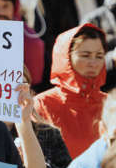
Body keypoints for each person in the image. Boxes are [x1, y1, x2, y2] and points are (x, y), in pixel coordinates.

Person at [34, 24, 107, 159]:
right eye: (85, 55)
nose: (93, 63)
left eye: (99, 56)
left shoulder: (111, 104)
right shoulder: (42, 104)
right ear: (66, 57)